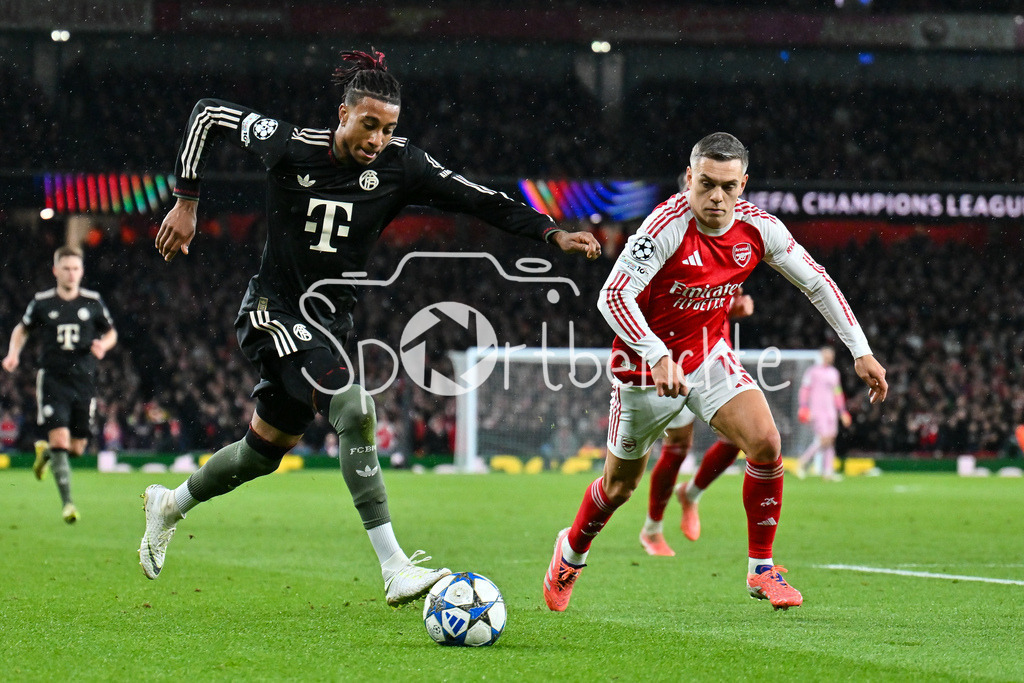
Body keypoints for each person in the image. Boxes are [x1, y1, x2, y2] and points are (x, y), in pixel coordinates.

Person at [140, 50, 601, 607]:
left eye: (388, 129)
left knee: (262, 452)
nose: (377, 139)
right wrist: (186, 201)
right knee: (355, 407)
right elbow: (207, 113)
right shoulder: (291, 145)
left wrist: (552, 234)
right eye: (368, 124)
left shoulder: (402, 164)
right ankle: (394, 567)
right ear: (343, 114)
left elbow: (479, 200)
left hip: (332, 324)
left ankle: (169, 504)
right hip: (274, 309)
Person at [543, 132, 887, 612]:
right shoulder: (663, 226)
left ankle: (761, 568)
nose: (717, 197)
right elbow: (613, 296)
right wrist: (657, 355)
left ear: (743, 184)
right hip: (642, 367)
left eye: (728, 186)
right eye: (706, 183)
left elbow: (816, 281)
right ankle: (571, 552)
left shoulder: (759, 229)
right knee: (620, 486)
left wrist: (860, 350)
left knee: (766, 441)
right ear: (689, 178)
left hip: (707, 356)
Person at [2, 246, 118, 523]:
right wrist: (13, 353)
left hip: (84, 381)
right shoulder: (43, 302)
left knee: (76, 449)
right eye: (66, 268)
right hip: (53, 379)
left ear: (82, 271)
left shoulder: (92, 302)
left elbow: (111, 331)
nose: (71, 273)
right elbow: (23, 328)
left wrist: (104, 344)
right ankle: (68, 504)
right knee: (60, 440)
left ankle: (45, 455)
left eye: (76, 268)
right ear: (55, 271)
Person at [638, 290, 753, 557]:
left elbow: (719, 297)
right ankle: (652, 529)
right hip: (678, 358)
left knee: (741, 436)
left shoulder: (737, 252)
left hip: (715, 360)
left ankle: (691, 493)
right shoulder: (674, 251)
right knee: (677, 445)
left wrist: (732, 307)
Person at [795, 346, 851, 480]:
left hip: (831, 411)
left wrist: (842, 411)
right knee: (823, 439)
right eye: (826, 355)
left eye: (830, 355)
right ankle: (802, 462)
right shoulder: (812, 372)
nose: (828, 357)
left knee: (830, 440)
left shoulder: (834, 373)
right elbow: (805, 389)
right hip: (817, 410)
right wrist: (803, 406)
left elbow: (837, 393)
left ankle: (828, 472)